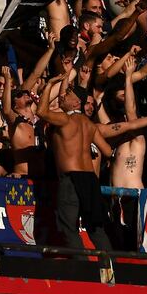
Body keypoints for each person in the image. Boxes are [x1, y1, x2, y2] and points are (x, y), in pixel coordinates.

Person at [38, 76, 113, 250]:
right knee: (96, 229)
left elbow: (41, 112)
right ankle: (112, 269)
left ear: (75, 103)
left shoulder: (65, 119)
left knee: (68, 227)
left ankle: (83, 267)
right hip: (90, 180)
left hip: (71, 179)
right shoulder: (90, 124)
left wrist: (49, 84)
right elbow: (108, 151)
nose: (62, 96)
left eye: (68, 94)